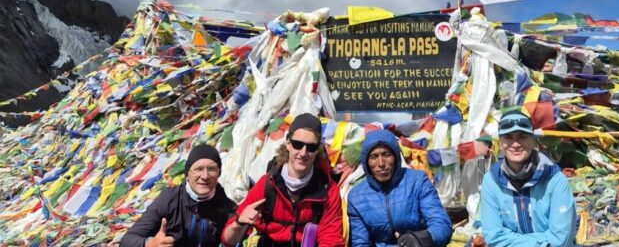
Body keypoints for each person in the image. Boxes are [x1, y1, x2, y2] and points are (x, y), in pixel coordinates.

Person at [221, 113, 344, 247]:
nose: (303, 153)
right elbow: (228, 240)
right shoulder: (267, 184)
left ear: (317, 150)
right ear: (288, 144)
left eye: (311, 147)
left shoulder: (328, 190)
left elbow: (331, 239)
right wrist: (239, 223)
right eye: (298, 144)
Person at [479, 109, 577, 246]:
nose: (516, 144)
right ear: (500, 143)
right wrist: (543, 240)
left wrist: (511, 240)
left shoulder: (555, 179)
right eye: (508, 137)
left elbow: (560, 239)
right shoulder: (491, 182)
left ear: (533, 140)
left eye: (522, 136)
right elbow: (493, 237)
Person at [347, 129, 452, 247]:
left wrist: (421, 238)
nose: (381, 163)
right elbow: (360, 243)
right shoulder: (356, 197)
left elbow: (441, 225)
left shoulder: (417, 181)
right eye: (374, 156)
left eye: (386, 154)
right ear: (366, 162)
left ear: (396, 157)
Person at [120, 144, 237, 247]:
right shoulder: (170, 199)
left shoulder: (228, 210)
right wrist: (149, 244)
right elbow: (127, 240)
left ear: (219, 173)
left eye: (211, 169)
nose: (205, 176)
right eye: (198, 169)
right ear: (187, 174)